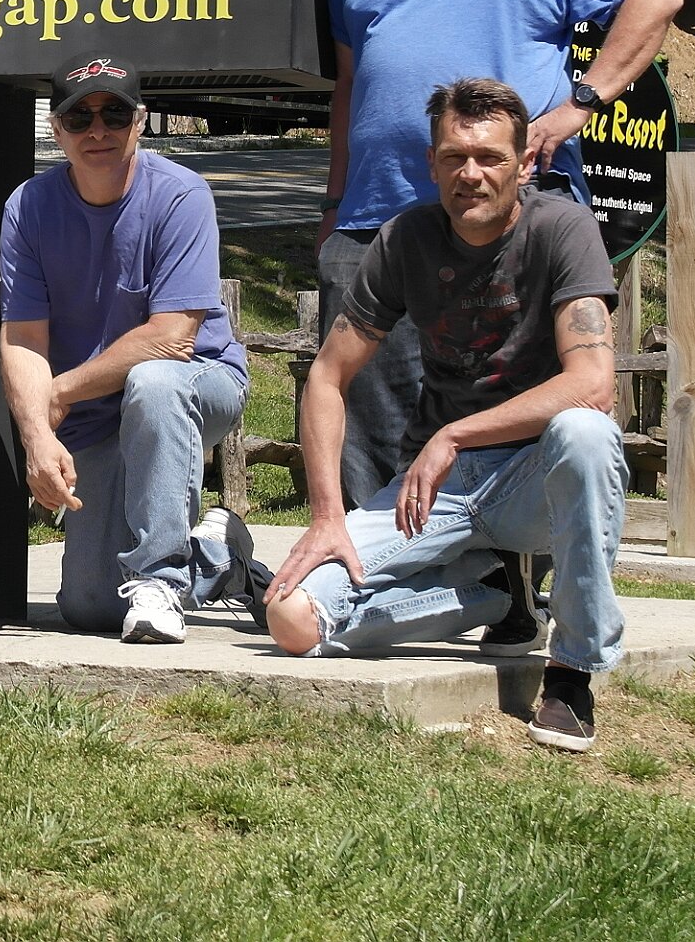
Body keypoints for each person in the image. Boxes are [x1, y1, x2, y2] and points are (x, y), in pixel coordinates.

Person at [319, 0, 680, 508]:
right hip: (377, 218)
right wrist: (334, 202)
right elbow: (350, 78)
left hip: (507, 217)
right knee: (367, 437)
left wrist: (580, 104)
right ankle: (367, 566)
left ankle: (512, 571)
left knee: (512, 433)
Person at [267, 78, 629, 753]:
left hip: (534, 476)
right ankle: (495, 594)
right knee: (292, 618)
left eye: (490, 158)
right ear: (431, 163)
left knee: (585, 433)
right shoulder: (406, 238)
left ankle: (572, 671)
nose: (471, 174)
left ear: (524, 164)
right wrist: (325, 516)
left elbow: (591, 385)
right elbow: (326, 376)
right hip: (437, 489)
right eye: (454, 157)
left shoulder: (564, 228)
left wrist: (454, 435)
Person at [0, 52, 263, 644]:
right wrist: (37, 435)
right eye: (80, 117)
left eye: (114, 115)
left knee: (154, 380)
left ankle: (160, 580)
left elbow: (172, 338)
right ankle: (218, 555)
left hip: (197, 384)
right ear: (57, 129)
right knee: (91, 607)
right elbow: (22, 337)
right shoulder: (28, 207)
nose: (98, 130)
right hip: (99, 411)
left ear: (139, 121)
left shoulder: (181, 195)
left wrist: (60, 391)